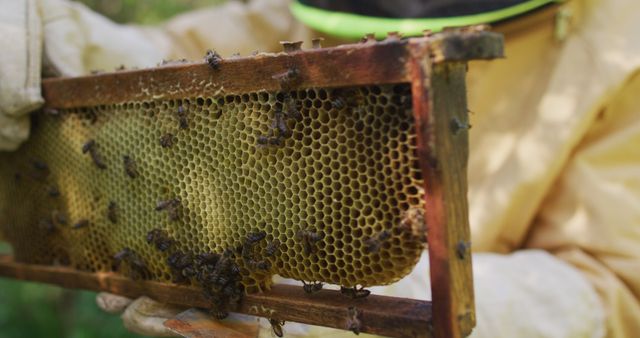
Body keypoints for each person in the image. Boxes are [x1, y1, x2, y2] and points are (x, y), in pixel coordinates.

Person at [1, 0, 639, 337]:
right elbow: (180, 62)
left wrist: (373, 309)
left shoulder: (620, 43)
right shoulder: (295, 15)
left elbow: (613, 288)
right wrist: (62, 34)